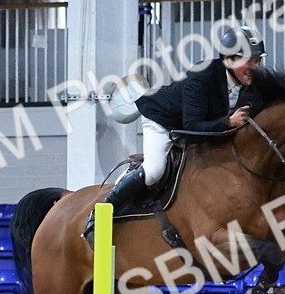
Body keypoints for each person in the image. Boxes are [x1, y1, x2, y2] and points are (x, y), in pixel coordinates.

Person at [84, 24, 268, 236]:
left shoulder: (252, 84)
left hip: (200, 130)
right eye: (250, 61)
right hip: (163, 122)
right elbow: (191, 127)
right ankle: (99, 215)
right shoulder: (202, 77)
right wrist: (228, 123)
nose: (256, 67)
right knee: (154, 171)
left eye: (258, 61)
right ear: (230, 59)